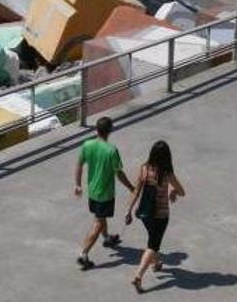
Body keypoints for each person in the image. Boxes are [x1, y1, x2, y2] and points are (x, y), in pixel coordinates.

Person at [124, 140, 185, 293]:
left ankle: (156, 263)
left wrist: (129, 210)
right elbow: (182, 191)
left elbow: (136, 191)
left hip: (145, 213)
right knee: (153, 245)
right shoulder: (166, 173)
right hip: (161, 215)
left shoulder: (144, 169)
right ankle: (138, 276)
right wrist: (173, 191)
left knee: (153, 237)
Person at [74, 117, 134, 270]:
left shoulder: (87, 145)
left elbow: (79, 164)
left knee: (100, 217)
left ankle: (107, 238)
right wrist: (131, 187)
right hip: (105, 194)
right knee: (99, 223)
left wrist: (78, 185)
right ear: (110, 131)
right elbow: (119, 173)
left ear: (97, 129)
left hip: (92, 192)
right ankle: (84, 254)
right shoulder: (111, 150)